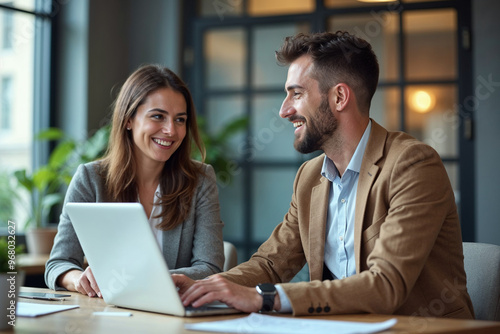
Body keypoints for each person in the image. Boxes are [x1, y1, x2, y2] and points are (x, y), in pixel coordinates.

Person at [173, 31, 475, 319]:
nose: (283, 110)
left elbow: (386, 285)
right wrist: (206, 288)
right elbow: (271, 264)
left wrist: (266, 298)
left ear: (339, 97)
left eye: (296, 94)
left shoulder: (412, 165)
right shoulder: (310, 177)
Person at [45, 64, 225, 297]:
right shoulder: (90, 179)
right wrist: (79, 279)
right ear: (129, 119)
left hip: (172, 316)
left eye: (180, 120)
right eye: (158, 116)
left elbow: (210, 268)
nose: (171, 130)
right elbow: (58, 264)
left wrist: (140, 280)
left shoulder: (200, 180)